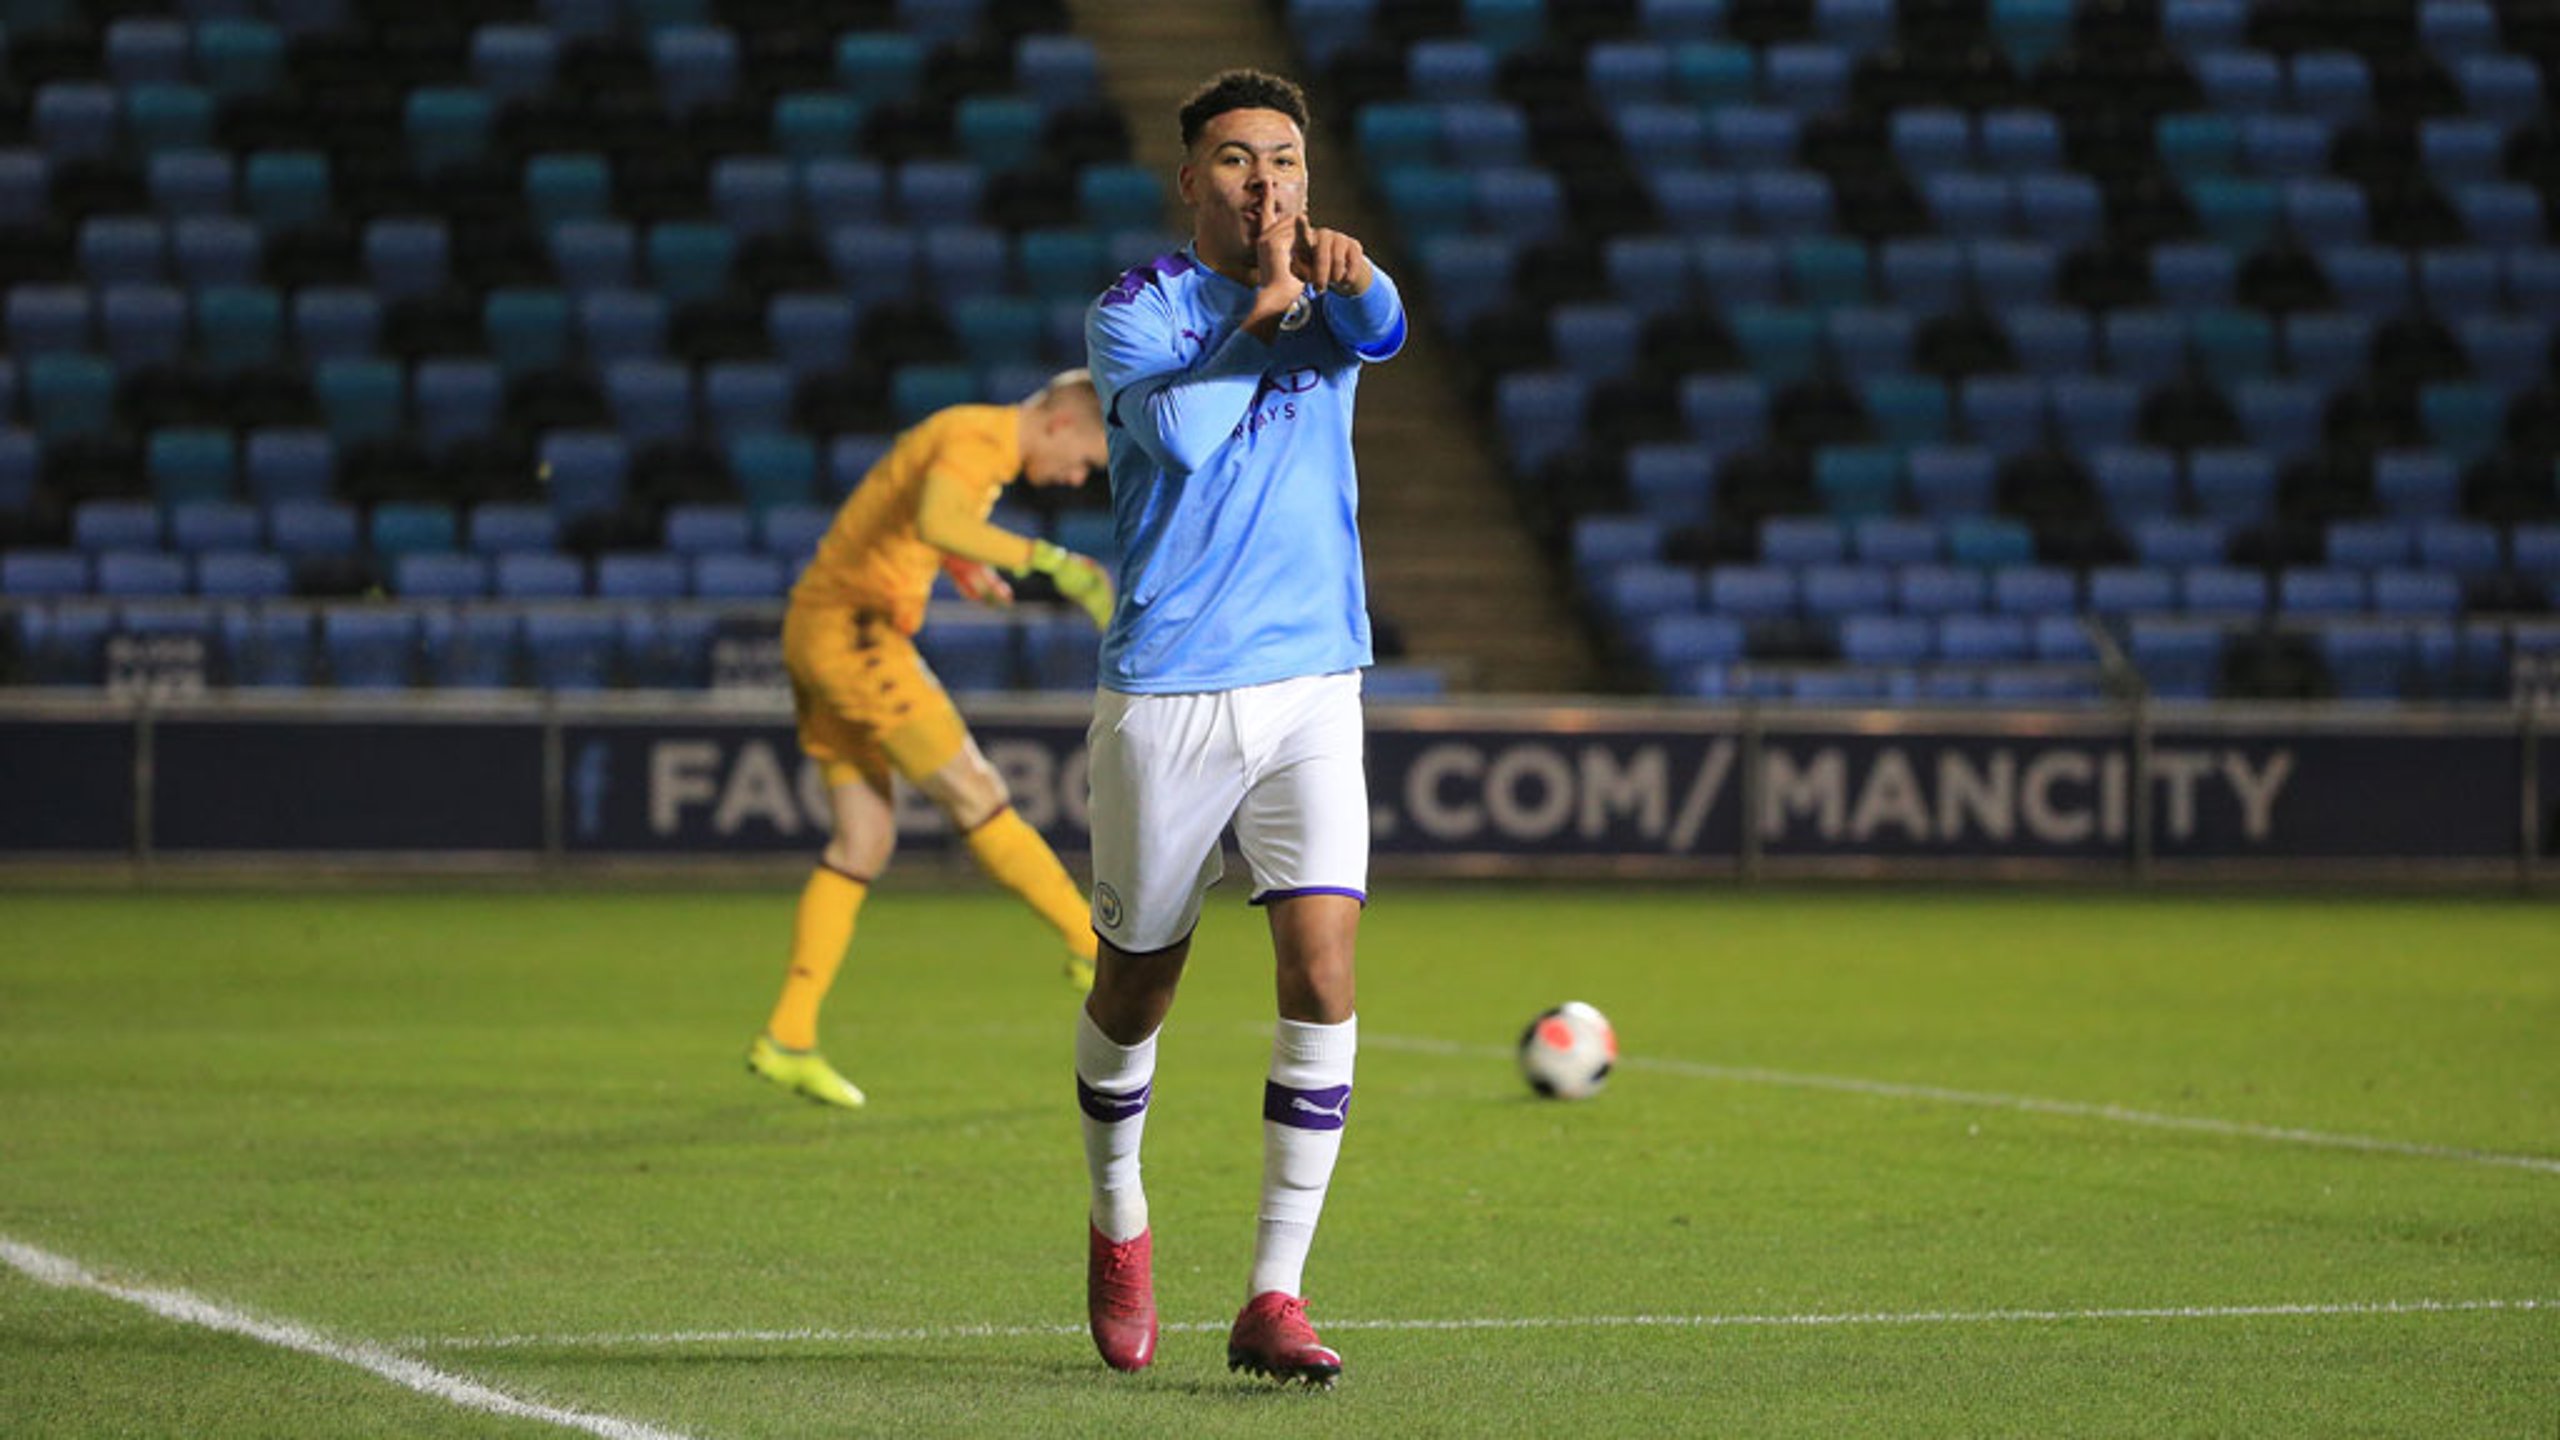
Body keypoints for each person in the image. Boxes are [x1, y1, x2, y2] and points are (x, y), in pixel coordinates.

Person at [1074, 68, 1404, 1386]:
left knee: (1322, 972)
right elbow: (1184, 443)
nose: (1263, 180)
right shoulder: (1135, 311)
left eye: (1283, 159)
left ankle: (1275, 1290)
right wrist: (1267, 315)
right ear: (1190, 183)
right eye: (1234, 160)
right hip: (1168, 691)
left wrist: (1348, 278)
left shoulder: (1328, 288)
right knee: (1137, 985)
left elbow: (1381, 328)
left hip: (1316, 679)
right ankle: (1116, 1211)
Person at [747, 372, 1117, 1110]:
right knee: (975, 792)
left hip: (818, 626)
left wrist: (963, 569)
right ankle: (1089, 941)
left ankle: (787, 1036)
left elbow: (921, 515)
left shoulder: (964, 432)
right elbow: (942, 518)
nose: (1075, 478)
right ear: (1059, 424)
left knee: (864, 838)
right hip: (856, 632)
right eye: (1083, 461)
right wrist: (1055, 563)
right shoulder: (980, 439)